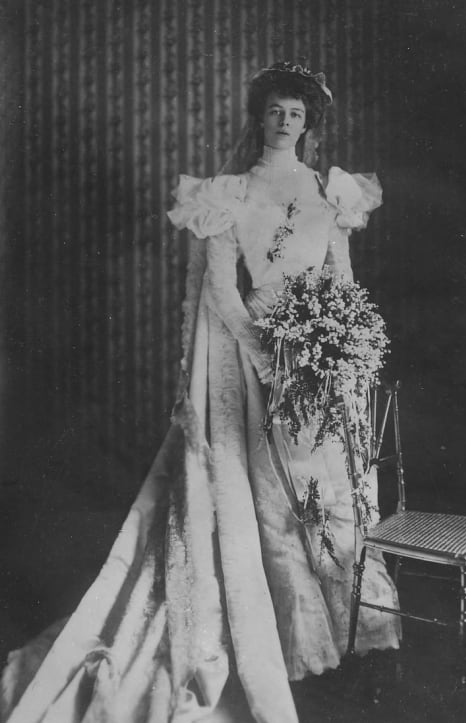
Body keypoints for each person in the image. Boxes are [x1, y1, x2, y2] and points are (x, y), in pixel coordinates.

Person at [1, 62, 400, 723]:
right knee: (269, 505)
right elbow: (221, 289)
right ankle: (278, 650)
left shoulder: (333, 192)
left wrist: (337, 353)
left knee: (332, 499)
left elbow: (344, 281)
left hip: (322, 361)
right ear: (258, 116)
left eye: (295, 113)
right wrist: (271, 360)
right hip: (256, 362)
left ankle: (353, 643)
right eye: (274, 110)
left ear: (309, 124)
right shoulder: (228, 194)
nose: (283, 121)